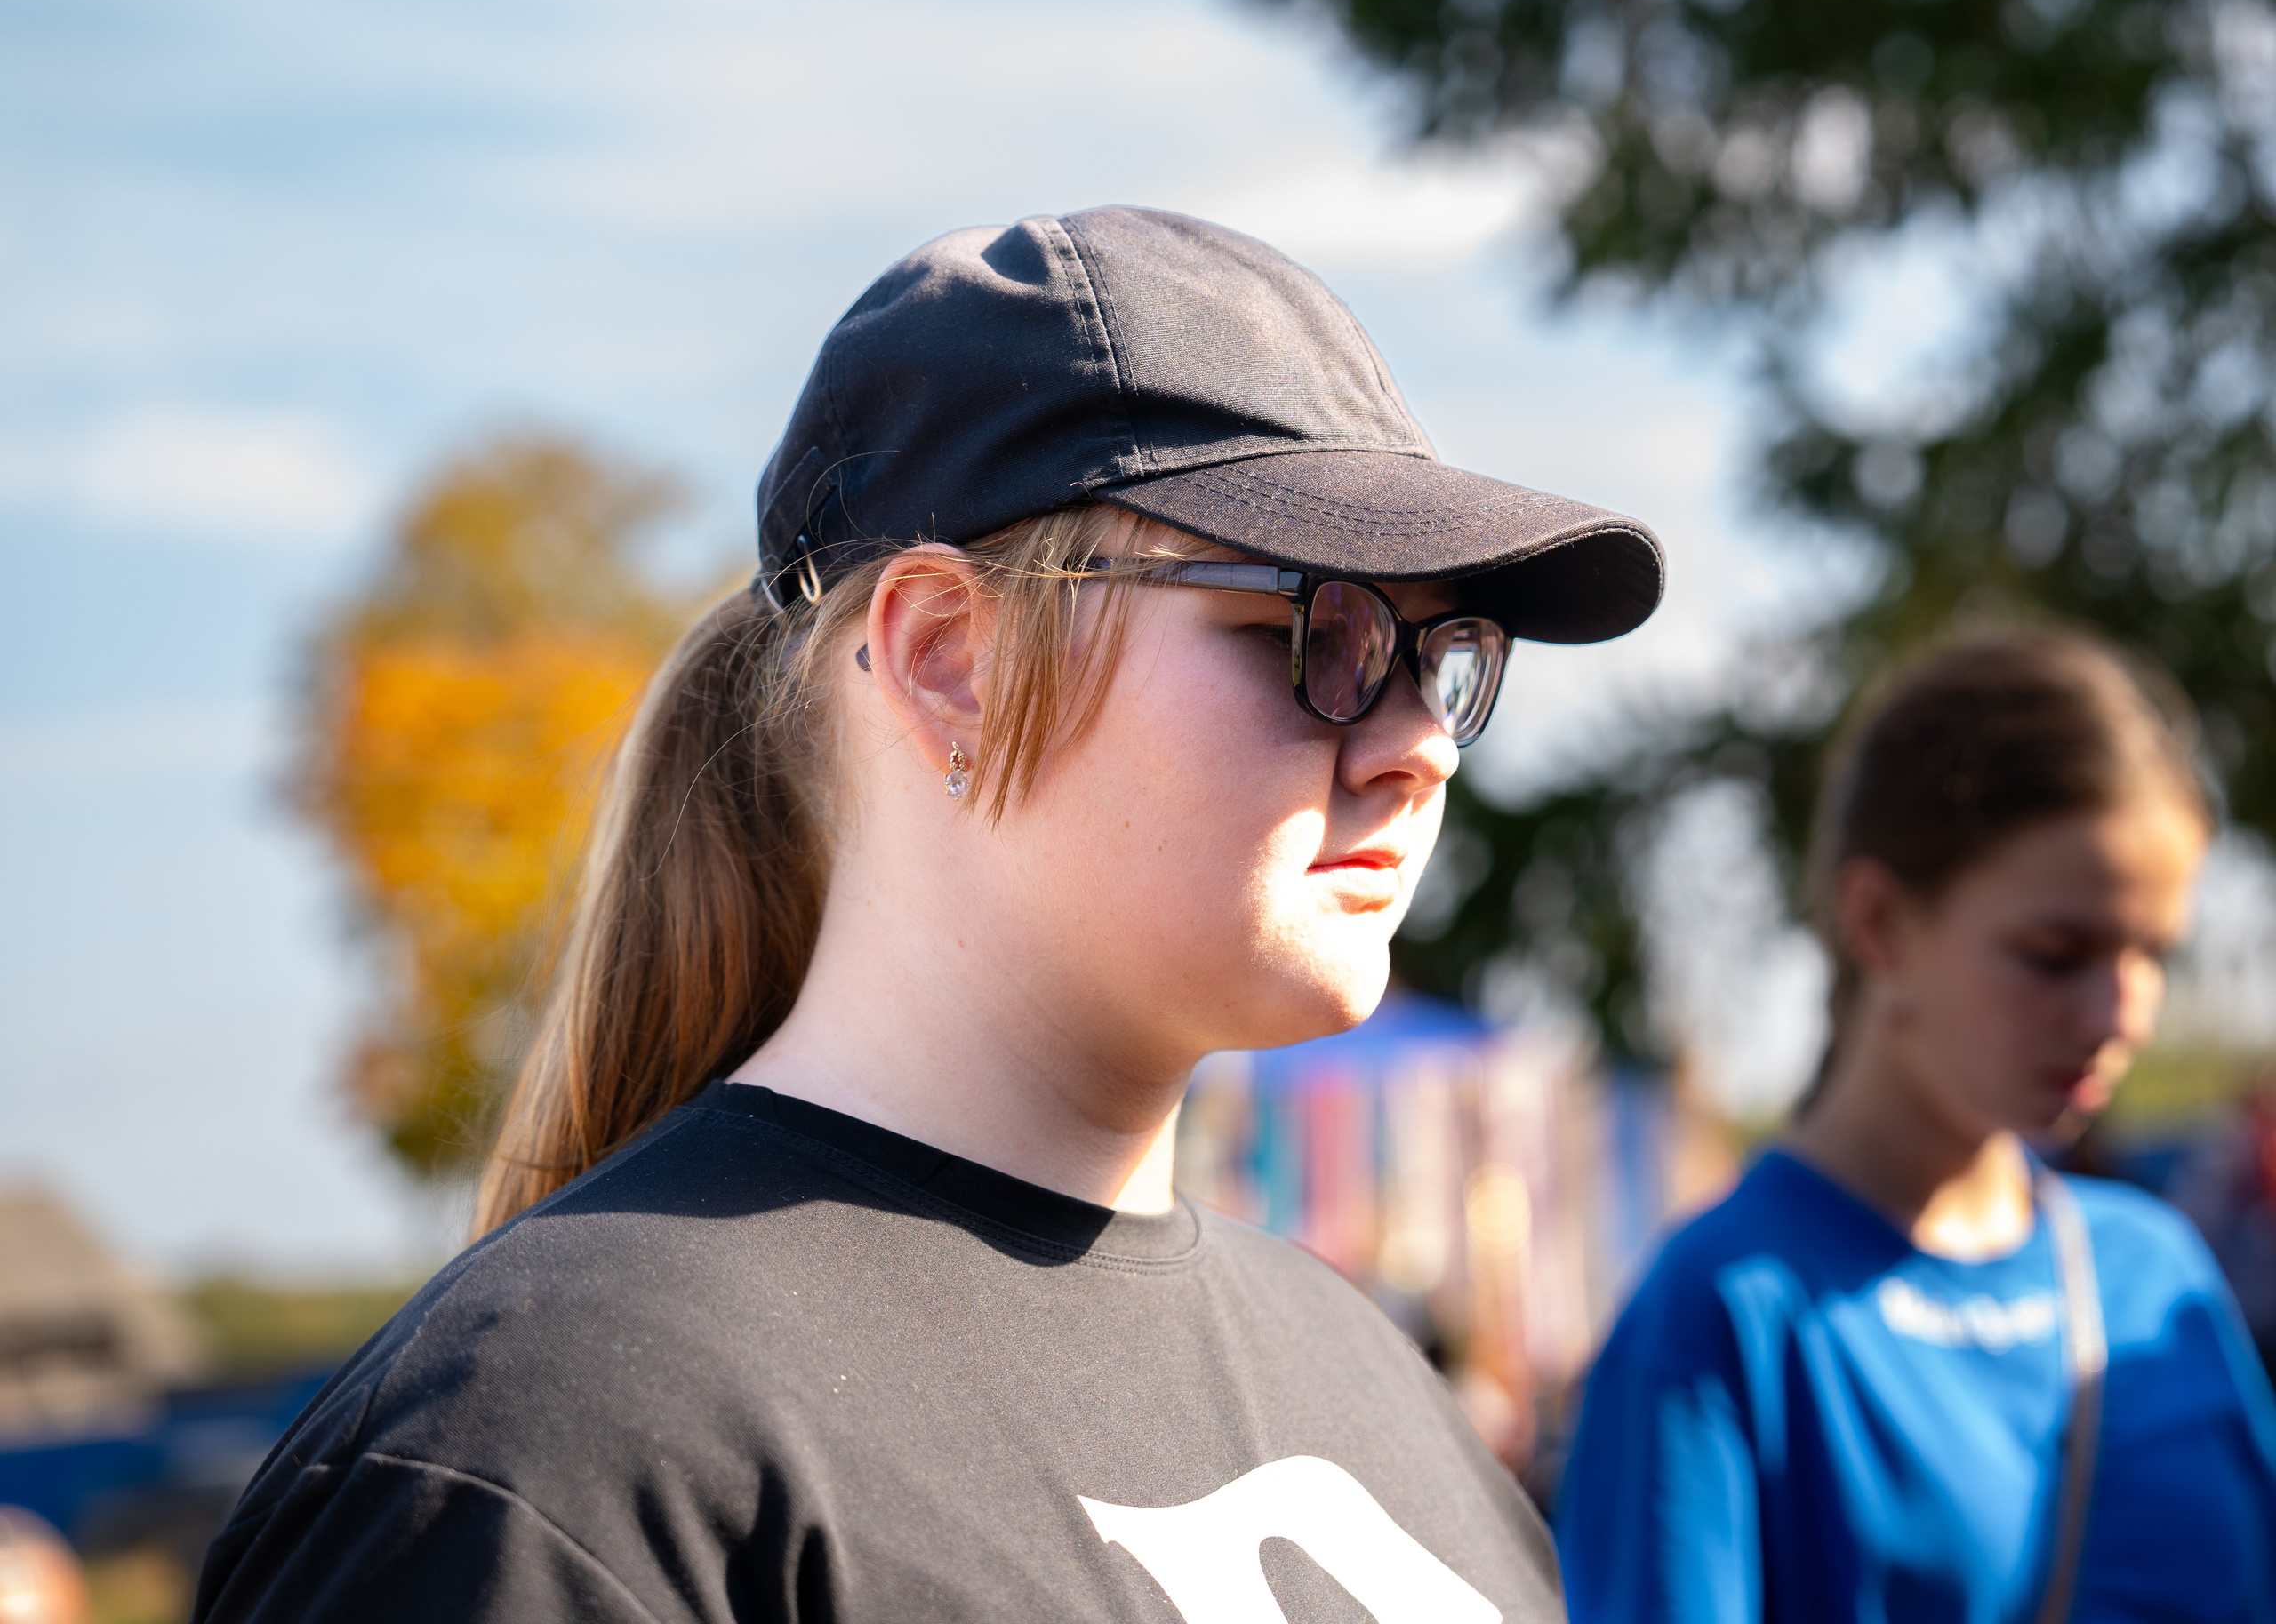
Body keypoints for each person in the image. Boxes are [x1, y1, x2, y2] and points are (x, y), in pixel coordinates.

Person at [188, 206, 1665, 1623]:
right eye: (1316, 632)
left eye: (1446, 653)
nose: (1423, 741)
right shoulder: (546, 1458)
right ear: (949, 655)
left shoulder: (1368, 1378)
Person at [1555, 628, 2276, 1622]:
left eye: (2152, 955)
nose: (2119, 1016)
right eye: (2056, 953)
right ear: (1881, 926)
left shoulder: (2159, 1282)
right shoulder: (1724, 1317)